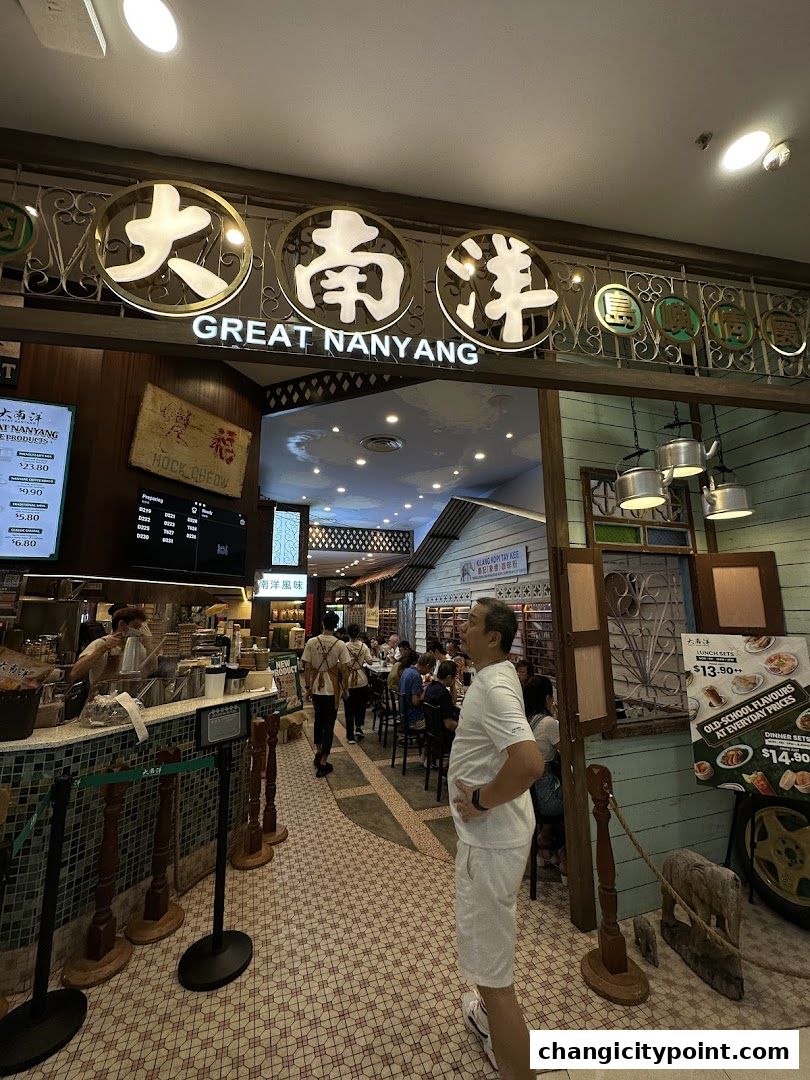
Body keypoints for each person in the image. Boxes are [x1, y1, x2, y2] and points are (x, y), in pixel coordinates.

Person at [449, 598, 544, 1079]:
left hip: (491, 842)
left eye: (471, 622)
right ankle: (488, 1023)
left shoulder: (493, 690)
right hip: (497, 836)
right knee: (489, 951)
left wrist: (483, 799)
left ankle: (517, 1067)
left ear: (493, 638)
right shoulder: (496, 676)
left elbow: (529, 762)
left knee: (492, 977)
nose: (461, 627)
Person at [523, 676, 566, 875]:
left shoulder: (525, 720)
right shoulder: (549, 723)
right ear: (548, 698)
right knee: (578, 802)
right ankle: (565, 858)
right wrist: (556, 718)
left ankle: (544, 843)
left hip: (528, 794)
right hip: (546, 797)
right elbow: (568, 754)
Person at [302, 611, 350, 778]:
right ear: (335, 625)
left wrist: (307, 687)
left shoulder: (312, 642)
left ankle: (318, 751)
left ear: (323, 623)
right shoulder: (340, 644)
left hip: (316, 686)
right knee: (329, 724)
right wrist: (345, 687)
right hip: (332, 688)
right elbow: (345, 668)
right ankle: (324, 761)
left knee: (318, 720)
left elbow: (307, 667)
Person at [70, 606, 147, 688]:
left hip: (128, 699)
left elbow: (151, 669)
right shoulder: (100, 643)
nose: (138, 631)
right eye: (135, 627)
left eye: (139, 628)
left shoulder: (136, 647)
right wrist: (103, 648)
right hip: (101, 698)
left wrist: (148, 645)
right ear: (121, 624)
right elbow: (75, 673)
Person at [423, 659, 459, 758]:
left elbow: (452, 703)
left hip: (431, 731)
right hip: (443, 735)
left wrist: (452, 687)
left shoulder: (430, 687)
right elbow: (449, 724)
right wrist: (464, 728)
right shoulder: (443, 694)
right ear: (449, 677)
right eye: (454, 677)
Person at [344, 623, 372, 743]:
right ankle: (359, 728)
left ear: (348, 633)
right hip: (361, 680)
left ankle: (350, 735)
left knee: (348, 708)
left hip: (348, 680)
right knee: (361, 706)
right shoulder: (364, 646)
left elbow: (341, 662)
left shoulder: (344, 646)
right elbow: (370, 661)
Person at [398, 652, 433, 732]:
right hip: (414, 719)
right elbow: (416, 702)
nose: (429, 672)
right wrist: (426, 689)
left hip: (403, 714)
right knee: (439, 719)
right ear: (427, 666)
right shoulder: (416, 676)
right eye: (430, 669)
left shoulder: (407, 671)